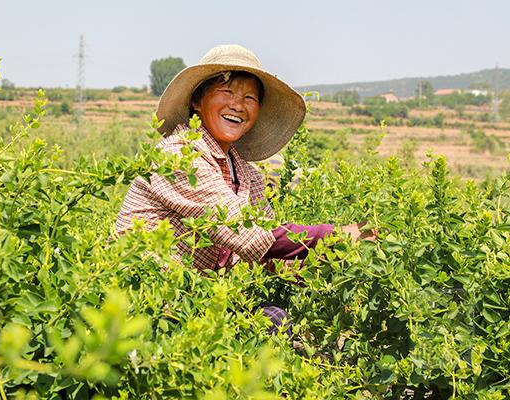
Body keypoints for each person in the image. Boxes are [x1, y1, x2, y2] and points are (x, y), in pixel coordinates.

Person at [115, 44, 376, 335]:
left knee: (275, 319)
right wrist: (336, 235)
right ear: (197, 102)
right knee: (268, 327)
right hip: (144, 303)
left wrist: (333, 266)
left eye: (249, 97)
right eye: (227, 93)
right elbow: (245, 230)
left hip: (195, 301)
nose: (237, 105)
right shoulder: (179, 155)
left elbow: (266, 252)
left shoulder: (246, 175)